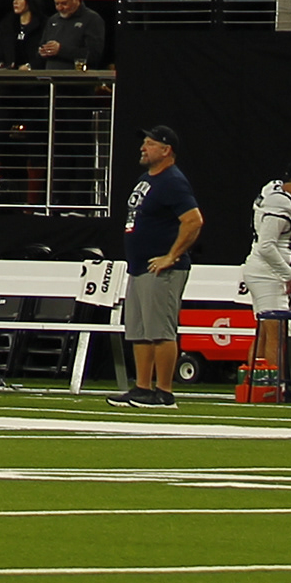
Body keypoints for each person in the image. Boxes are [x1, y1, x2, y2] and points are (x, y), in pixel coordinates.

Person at [112, 125, 202, 409]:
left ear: (166, 150)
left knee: (161, 331)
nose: (143, 148)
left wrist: (171, 256)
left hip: (161, 269)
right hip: (140, 266)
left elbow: (193, 221)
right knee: (139, 331)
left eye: (150, 144)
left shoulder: (173, 181)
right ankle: (142, 387)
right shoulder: (146, 179)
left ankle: (164, 392)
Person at [243, 160, 291, 386]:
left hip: (261, 269)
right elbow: (267, 245)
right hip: (268, 272)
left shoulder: (274, 190)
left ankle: (254, 383)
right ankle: (273, 386)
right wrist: (287, 275)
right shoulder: (281, 203)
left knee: (265, 332)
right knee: (276, 333)